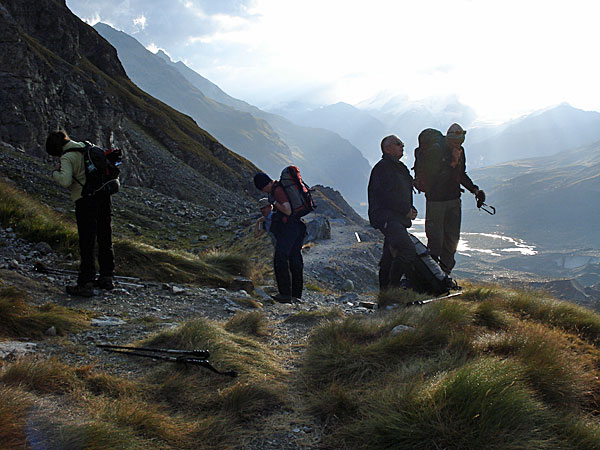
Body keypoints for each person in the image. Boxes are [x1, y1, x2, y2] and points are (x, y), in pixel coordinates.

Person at [45, 130, 115, 296]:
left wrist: (55, 172)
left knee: (87, 241)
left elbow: (65, 180)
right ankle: (106, 277)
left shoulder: (67, 157)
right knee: (105, 236)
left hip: (86, 200)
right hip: (104, 196)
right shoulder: (86, 146)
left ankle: (86, 282)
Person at [423, 123, 485, 275]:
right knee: (436, 241)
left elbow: (461, 174)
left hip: (454, 200)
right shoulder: (436, 151)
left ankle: (445, 275)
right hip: (436, 201)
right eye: (455, 141)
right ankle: (432, 276)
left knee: (452, 240)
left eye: (460, 142)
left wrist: (475, 190)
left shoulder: (459, 151)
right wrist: (452, 163)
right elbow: (434, 179)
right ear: (449, 138)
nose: (458, 144)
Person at [368, 135, 417, 291]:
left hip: (395, 217)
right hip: (388, 217)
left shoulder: (398, 167)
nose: (402, 146)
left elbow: (402, 192)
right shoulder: (383, 168)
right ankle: (393, 288)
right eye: (398, 144)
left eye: (402, 144)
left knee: (389, 256)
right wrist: (406, 210)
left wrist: (410, 209)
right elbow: (387, 195)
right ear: (387, 148)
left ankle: (385, 294)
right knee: (407, 250)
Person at [253, 173, 306, 303]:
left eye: (262, 189)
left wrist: (274, 202)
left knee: (280, 257)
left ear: (264, 185)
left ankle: (285, 294)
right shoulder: (279, 188)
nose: (264, 192)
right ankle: (296, 295)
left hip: (290, 228)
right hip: (298, 227)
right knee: (295, 259)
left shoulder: (277, 191)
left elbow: (287, 210)